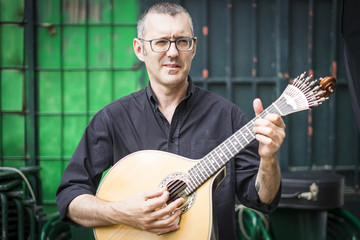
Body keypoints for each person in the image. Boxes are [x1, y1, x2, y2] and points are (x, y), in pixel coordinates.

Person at [56, 2, 285, 239]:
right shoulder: (113, 118)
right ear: (139, 49)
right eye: (161, 42)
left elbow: (262, 200)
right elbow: (69, 198)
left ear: (193, 48)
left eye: (182, 41)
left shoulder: (228, 117)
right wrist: (123, 213)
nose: (173, 52)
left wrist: (269, 159)